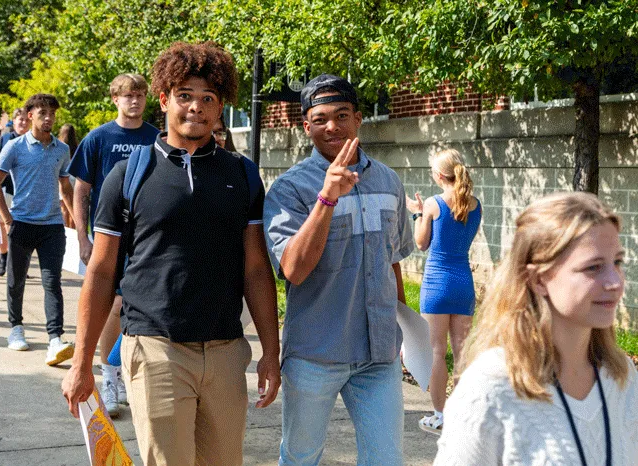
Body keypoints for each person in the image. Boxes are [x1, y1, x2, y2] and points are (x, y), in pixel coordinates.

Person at [61, 41, 281, 466]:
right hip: (154, 347)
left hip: (225, 349)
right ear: (163, 100)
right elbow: (103, 272)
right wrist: (82, 361)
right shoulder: (129, 174)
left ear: (220, 109)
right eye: (184, 96)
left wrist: (270, 353)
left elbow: (256, 270)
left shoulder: (242, 173)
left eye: (207, 99)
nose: (195, 107)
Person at [263, 74, 414, 466]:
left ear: (359, 118)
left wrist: (407, 337)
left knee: (386, 459)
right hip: (316, 352)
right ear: (306, 126)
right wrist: (326, 198)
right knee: (301, 458)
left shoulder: (388, 180)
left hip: (378, 354)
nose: (332, 126)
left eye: (342, 115)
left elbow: (392, 260)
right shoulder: (289, 189)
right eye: (321, 118)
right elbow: (293, 270)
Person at [434, 192, 638, 465]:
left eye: (617, 263)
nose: (615, 282)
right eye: (593, 267)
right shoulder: (490, 389)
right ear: (538, 279)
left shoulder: (622, 376)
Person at [66, 73, 159, 418]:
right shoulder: (98, 138)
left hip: (147, 236)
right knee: (113, 304)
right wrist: (82, 236)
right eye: (128, 95)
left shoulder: (157, 137)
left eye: (139, 95)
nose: (134, 101)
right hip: (109, 235)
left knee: (138, 306)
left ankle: (130, 374)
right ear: (115, 100)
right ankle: (110, 376)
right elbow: (81, 189)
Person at [0, 93, 75, 366]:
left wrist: (77, 222)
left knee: (53, 283)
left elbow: (66, 186)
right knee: (17, 280)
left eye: (52, 113)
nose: (48, 118)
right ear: (29, 116)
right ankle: (16, 328)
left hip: (51, 226)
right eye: (42, 113)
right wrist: (6, 219)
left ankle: (55, 339)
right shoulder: (14, 146)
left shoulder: (62, 149)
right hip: (22, 223)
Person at [405, 148, 481, 435]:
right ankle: (462, 415)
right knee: (462, 353)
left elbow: (422, 243)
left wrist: (419, 214)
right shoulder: (476, 205)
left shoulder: (434, 204)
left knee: (437, 352)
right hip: (463, 283)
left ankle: (440, 416)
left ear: (439, 175)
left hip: (437, 284)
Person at [0, 108, 30, 276]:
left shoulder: (34, 141)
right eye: (19, 119)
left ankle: (20, 262)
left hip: (25, 191)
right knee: (3, 223)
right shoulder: (5, 139)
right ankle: (4, 256)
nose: (23, 123)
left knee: (23, 227)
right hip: (6, 188)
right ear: (14, 121)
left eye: (25, 119)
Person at [56, 123, 78, 229]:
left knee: (63, 207)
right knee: (73, 207)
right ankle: (73, 228)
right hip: (73, 177)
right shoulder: (77, 147)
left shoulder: (58, 146)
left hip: (63, 177)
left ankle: (65, 229)